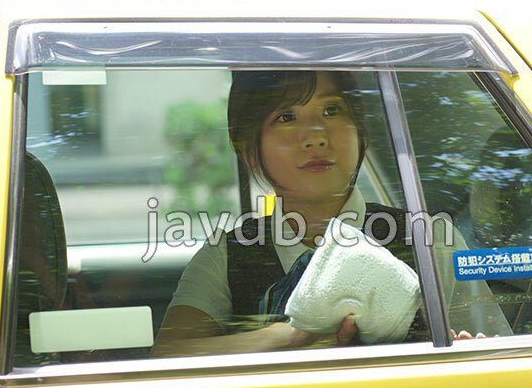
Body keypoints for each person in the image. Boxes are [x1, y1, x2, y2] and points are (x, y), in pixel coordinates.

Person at [151, 71, 510, 358]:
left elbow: (497, 359)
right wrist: (289, 336)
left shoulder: (429, 241)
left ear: (360, 130)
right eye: (286, 117)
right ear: (249, 151)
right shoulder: (227, 255)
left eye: (332, 111)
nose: (315, 136)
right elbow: (168, 357)